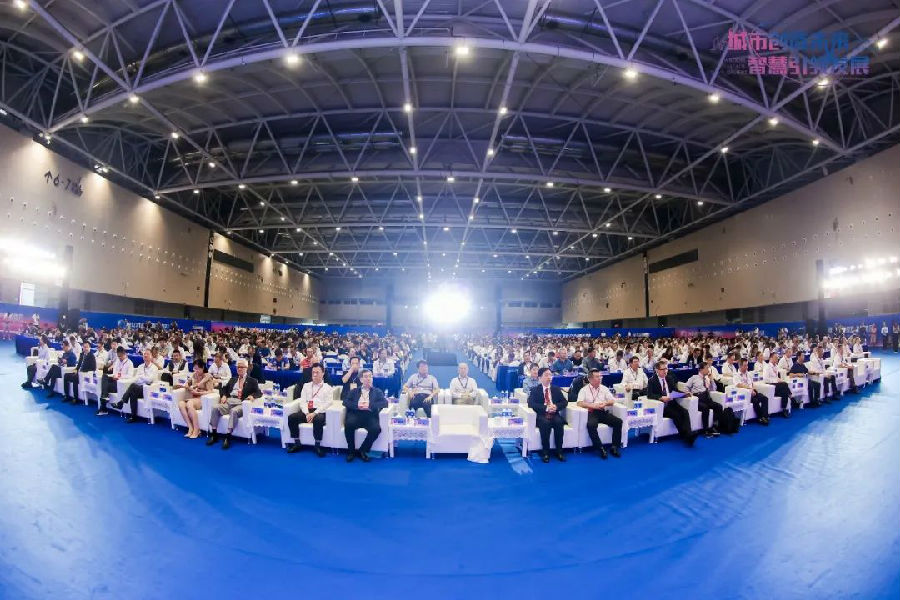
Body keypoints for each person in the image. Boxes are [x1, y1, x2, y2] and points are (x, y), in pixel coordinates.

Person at [206, 358, 261, 449]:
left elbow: (259, 392)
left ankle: (228, 437)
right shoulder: (233, 379)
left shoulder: (252, 381)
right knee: (215, 408)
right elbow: (224, 389)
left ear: (246, 368)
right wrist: (224, 395)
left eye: (242, 367)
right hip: (229, 401)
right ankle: (214, 435)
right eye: (238, 367)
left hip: (241, 403)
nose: (239, 369)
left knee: (233, 411)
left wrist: (252, 396)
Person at [647, 361, 698, 447]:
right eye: (663, 369)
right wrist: (661, 398)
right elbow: (650, 395)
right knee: (676, 415)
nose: (665, 371)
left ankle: (689, 434)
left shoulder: (669, 378)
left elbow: (675, 391)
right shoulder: (652, 380)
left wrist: (684, 394)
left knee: (684, 412)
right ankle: (686, 436)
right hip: (663, 405)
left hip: (672, 402)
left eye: (666, 369)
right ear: (657, 370)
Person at [286, 364, 333, 457]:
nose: (314, 375)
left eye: (317, 372)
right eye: (313, 372)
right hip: (307, 411)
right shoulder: (306, 385)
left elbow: (327, 403)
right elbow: (302, 401)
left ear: (323, 373)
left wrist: (314, 413)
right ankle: (297, 443)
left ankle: (317, 445)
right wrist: (307, 413)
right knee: (292, 417)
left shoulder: (328, 387)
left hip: (319, 411)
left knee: (318, 419)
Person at [576, 369, 622, 459]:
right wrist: (592, 405)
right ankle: (600, 448)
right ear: (590, 379)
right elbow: (579, 403)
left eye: (600, 376)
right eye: (597, 377)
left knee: (618, 421)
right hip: (591, 412)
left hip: (602, 411)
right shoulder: (584, 390)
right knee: (591, 425)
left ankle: (615, 447)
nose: (600, 378)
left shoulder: (604, 388)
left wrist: (605, 403)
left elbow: (612, 400)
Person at [343, 369, 387, 462]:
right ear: (361, 379)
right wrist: (357, 406)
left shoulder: (377, 391)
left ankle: (363, 450)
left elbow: (384, 403)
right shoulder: (354, 391)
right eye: (366, 377)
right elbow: (345, 402)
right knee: (348, 425)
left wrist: (369, 406)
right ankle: (351, 451)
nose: (368, 379)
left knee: (376, 429)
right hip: (356, 414)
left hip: (370, 415)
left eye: (370, 376)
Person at [527, 367, 568, 463]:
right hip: (542, 415)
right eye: (546, 375)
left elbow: (564, 402)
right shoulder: (535, 390)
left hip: (554, 413)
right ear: (540, 378)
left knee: (559, 423)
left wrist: (556, 406)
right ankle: (545, 453)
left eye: (550, 375)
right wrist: (546, 408)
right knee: (545, 424)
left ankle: (559, 451)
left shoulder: (556, 389)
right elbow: (531, 404)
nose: (549, 377)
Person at [111, 350, 159, 423]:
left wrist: (141, 377)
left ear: (151, 356)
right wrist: (142, 378)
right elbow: (136, 379)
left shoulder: (154, 368)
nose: (145, 355)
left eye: (147, 354)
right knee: (133, 392)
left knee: (133, 386)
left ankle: (121, 402)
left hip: (149, 389)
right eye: (144, 354)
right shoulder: (140, 366)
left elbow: (149, 380)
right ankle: (133, 416)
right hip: (139, 388)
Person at [684, 362, 723, 438]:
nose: (708, 370)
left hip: (707, 397)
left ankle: (714, 427)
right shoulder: (694, 378)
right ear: (701, 369)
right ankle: (706, 430)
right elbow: (686, 387)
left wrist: (711, 380)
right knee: (705, 408)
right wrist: (689, 393)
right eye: (707, 368)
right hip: (698, 398)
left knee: (719, 406)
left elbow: (714, 389)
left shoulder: (707, 378)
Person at [176, 361, 213, 438]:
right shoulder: (194, 375)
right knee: (181, 404)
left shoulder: (207, 376)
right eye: (194, 368)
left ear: (202, 368)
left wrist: (198, 393)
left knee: (189, 403)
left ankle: (196, 430)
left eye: (197, 369)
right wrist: (187, 385)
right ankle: (190, 427)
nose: (196, 370)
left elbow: (210, 391)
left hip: (202, 398)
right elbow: (188, 383)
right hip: (194, 397)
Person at [97, 346, 134, 416]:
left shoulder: (130, 363)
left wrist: (119, 377)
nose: (119, 358)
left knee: (105, 387)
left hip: (121, 383)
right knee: (104, 376)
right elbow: (114, 372)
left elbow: (130, 376)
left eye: (120, 356)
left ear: (124, 354)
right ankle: (105, 397)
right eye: (118, 356)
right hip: (115, 381)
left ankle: (103, 407)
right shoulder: (117, 361)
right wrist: (114, 376)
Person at [733, 358, 769, 425]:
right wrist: (750, 389)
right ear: (740, 366)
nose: (747, 367)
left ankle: (765, 417)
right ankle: (760, 417)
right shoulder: (736, 375)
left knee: (765, 398)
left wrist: (752, 389)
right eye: (745, 365)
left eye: (747, 365)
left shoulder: (748, 373)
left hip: (752, 391)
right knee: (755, 401)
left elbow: (752, 383)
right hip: (744, 394)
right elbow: (739, 385)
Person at [763, 353, 793, 418]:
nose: (777, 359)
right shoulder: (767, 367)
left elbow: (776, 377)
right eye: (775, 358)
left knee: (784, 389)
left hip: (777, 385)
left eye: (777, 358)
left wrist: (779, 380)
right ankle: (789, 394)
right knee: (784, 385)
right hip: (770, 385)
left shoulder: (776, 366)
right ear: (771, 358)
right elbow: (765, 379)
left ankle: (784, 408)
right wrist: (776, 380)